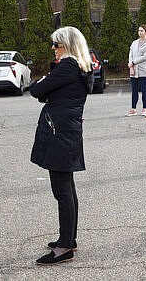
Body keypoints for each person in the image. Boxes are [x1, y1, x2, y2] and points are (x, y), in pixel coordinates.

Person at [30, 26, 92, 265]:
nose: (52, 48)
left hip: (59, 133)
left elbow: (37, 89)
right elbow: (45, 93)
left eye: (56, 44)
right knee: (67, 189)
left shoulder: (67, 65)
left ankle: (65, 247)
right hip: (66, 131)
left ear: (68, 45)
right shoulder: (80, 66)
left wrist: (44, 81)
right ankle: (69, 238)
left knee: (62, 191)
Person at [126, 24, 146, 117]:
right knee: (134, 90)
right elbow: (131, 54)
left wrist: (133, 62)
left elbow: (145, 57)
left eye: (141, 30)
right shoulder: (134, 43)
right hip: (134, 70)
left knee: (144, 89)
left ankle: (144, 109)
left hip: (143, 69)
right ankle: (133, 109)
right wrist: (131, 66)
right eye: (139, 30)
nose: (139, 32)